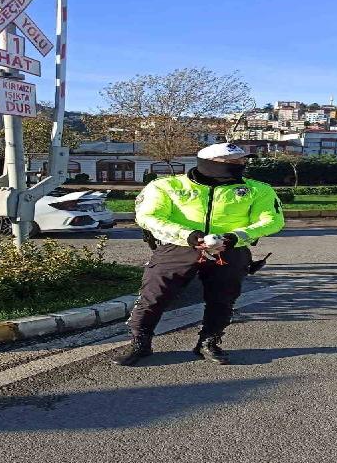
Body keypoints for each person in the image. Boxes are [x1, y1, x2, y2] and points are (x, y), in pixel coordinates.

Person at [112, 143, 285, 366]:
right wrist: (188, 235)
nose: (241, 165)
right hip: (177, 247)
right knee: (153, 296)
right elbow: (148, 216)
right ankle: (140, 343)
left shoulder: (258, 189)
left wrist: (235, 237)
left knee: (223, 299)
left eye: (243, 161)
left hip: (229, 249)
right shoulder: (166, 186)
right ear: (209, 163)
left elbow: (272, 220)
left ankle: (208, 342)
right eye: (233, 162)